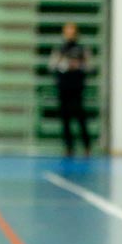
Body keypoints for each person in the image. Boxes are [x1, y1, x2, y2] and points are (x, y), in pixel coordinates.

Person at [50, 22, 92, 157]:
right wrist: (63, 64)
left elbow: (89, 66)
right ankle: (69, 147)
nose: (70, 35)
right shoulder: (60, 49)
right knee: (65, 119)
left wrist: (78, 65)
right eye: (67, 32)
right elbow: (52, 66)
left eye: (72, 32)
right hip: (64, 88)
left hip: (77, 89)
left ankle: (87, 147)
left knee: (80, 118)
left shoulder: (82, 49)